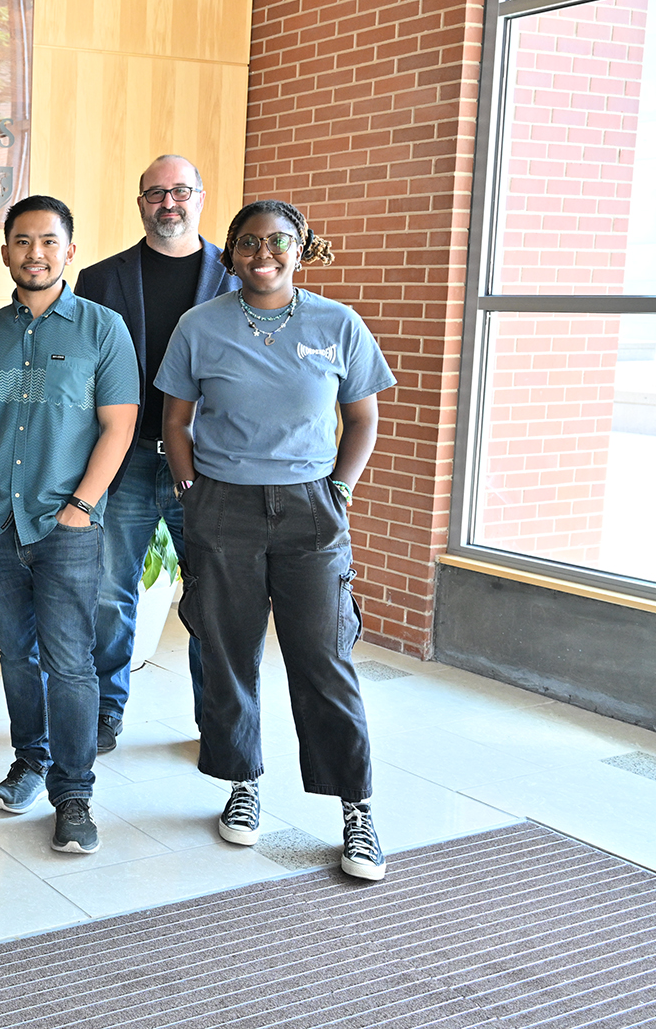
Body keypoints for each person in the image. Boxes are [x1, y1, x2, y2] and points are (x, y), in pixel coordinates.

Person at [156, 198, 395, 881]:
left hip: (311, 512)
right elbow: (176, 422)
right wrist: (190, 491)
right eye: (249, 244)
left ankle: (357, 810)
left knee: (324, 661)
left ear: (302, 248)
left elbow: (364, 420)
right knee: (229, 656)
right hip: (221, 508)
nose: (264, 255)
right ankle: (243, 786)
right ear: (229, 254)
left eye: (279, 242)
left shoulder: (337, 323)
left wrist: (339, 492)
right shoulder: (199, 326)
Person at [0, 195, 139, 854]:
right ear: (5, 252)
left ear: (70, 251)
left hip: (69, 528)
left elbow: (120, 427)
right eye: (22, 241)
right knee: (14, 650)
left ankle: (74, 793)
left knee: (69, 660)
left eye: (49, 241)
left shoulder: (101, 329)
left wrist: (81, 507)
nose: (36, 252)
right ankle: (29, 760)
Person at [79, 155, 238, 751]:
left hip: (207, 461)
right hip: (124, 455)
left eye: (180, 191)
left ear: (200, 196)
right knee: (108, 592)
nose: (167, 203)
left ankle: (216, 724)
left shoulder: (238, 272)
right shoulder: (101, 279)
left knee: (209, 595)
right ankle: (105, 712)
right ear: (139, 201)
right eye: (155, 193)